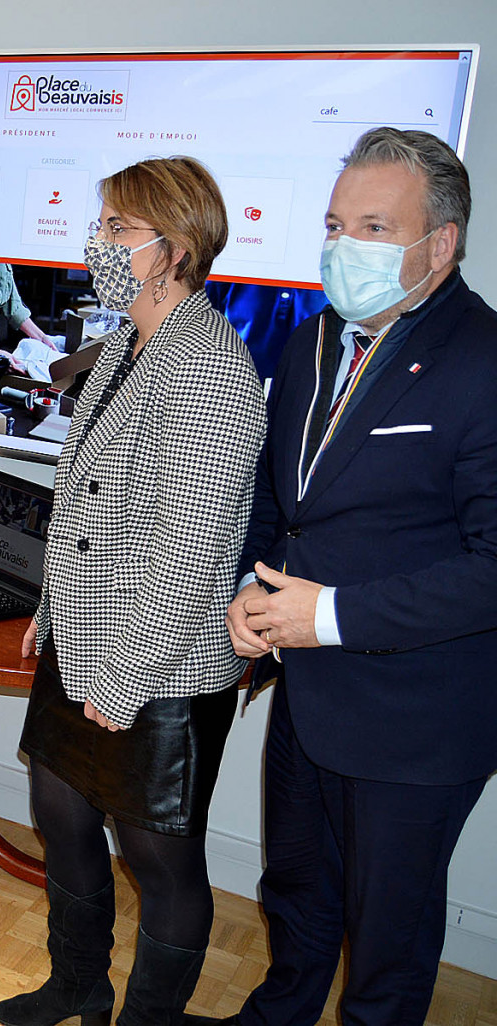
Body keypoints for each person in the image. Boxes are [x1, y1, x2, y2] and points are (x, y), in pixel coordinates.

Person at [208, 128, 497, 1026]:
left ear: (438, 244)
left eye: (373, 227)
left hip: (416, 717)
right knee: (295, 894)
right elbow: (278, 494)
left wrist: (328, 615)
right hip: (306, 697)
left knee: (386, 939)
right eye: (336, 224)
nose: (344, 247)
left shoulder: (484, 362)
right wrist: (246, 592)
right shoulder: (312, 338)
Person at [0, 157, 266, 1026]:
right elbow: (83, 501)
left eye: (116, 229)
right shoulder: (123, 346)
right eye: (102, 224)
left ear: (173, 249)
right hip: (81, 635)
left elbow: (189, 550)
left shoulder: (211, 369)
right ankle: (77, 985)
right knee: (60, 817)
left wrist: (124, 673)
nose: (97, 243)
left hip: (159, 667)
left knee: (160, 859)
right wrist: (51, 610)